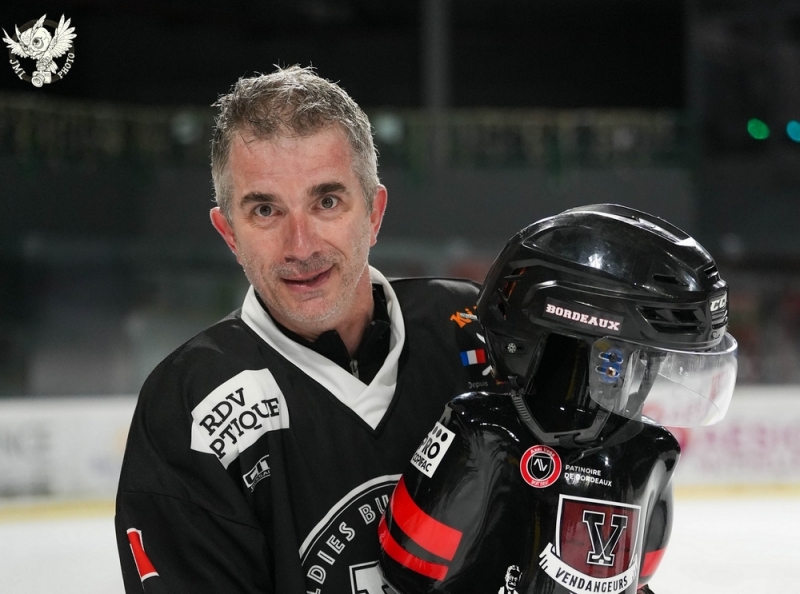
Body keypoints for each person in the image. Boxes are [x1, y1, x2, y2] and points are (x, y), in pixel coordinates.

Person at [114, 65, 496, 594]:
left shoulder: (471, 335)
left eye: (327, 202)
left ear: (374, 213)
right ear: (229, 233)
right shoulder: (189, 405)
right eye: (266, 210)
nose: (301, 246)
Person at [379, 204, 738, 594]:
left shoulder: (484, 426)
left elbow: (408, 558)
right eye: (644, 358)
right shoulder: (648, 454)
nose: (646, 377)